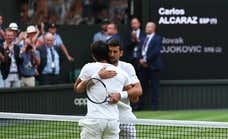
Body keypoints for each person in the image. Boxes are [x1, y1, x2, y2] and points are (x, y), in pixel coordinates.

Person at [74, 41, 132, 139]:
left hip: (94, 121)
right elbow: (134, 96)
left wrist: (97, 76)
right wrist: (121, 95)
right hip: (113, 122)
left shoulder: (88, 67)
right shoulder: (122, 73)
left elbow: (77, 89)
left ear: (93, 55)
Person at [98, 39, 142, 139]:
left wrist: (120, 95)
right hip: (106, 120)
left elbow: (138, 91)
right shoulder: (99, 68)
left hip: (125, 119)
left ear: (121, 53)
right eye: (109, 51)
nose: (112, 54)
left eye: (115, 52)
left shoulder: (127, 67)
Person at [136, 21, 163, 110]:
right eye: (146, 27)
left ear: (153, 28)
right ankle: (139, 105)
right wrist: (140, 60)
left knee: (155, 87)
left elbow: (156, 52)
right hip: (142, 67)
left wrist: (146, 60)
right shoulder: (143, 39)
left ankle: (154, 106)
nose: (147, 28)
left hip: (153, 66)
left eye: (149, 27)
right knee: (142, 86)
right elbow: (139, 50)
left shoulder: (157, 38)